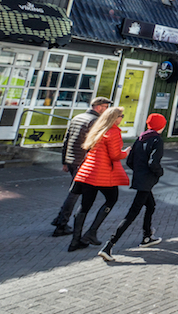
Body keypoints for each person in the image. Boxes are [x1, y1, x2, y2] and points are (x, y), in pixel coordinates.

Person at [98, 113, 166, 261]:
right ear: (162, 126)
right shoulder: (157, 140)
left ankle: (147, 236)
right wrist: (159, 172)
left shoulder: (141, 138)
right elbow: (154, 163)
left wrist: (139, 171)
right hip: (146, 181)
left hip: (140, 179)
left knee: (151, 205)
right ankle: (109, 245)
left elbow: (130, 161)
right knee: (132, 214)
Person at [67, 106, 129, 251]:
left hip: (87, 172)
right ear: (115, 118)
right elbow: (115, 155)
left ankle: (75, 241)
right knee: (112, 199)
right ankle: (91, 232)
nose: (122, 118)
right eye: (122, 116)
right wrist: (125, 153)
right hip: (102, 173)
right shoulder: (113, 132)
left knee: (85, 205)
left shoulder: (98, 129)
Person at [51, 96, 112, 236]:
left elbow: (67, 139)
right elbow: (95, 144)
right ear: (98, 107)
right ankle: (61, 223)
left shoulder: (77, 117)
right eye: (105, 107)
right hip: (83, 161)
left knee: (74, 191)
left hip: (72, 160)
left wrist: (65, 161)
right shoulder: (95, 121)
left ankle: (59, 219)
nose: (106, 110)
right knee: (75, 193)